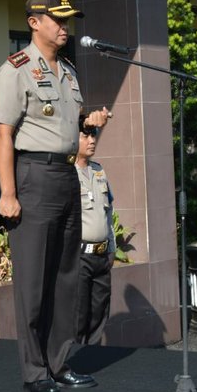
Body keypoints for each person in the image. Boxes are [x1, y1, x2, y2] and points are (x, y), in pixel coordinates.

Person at [0, 0, 110, 392]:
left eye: (67, 20)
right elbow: (2, 134)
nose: (65, 27)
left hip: (66, 176)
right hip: (33, 177)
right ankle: (34, 371)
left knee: (65, 277)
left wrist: (90, 121)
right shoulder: (16, 69)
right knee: (33, 282)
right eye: (58, 19)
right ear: (34, 22)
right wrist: (8, 192)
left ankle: (59, 363)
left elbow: (70, 127)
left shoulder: (70, 72)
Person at [75, 127, 116, 345]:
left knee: (99, 312)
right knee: (79, 315)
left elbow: (108, 213)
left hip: (101, 256)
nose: (92, 141)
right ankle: (74, 360)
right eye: (85, 136)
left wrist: (111, 248)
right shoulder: (67, 174)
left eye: (94, 136)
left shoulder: (99, 171)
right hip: (79, 257)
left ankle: (94, 356)